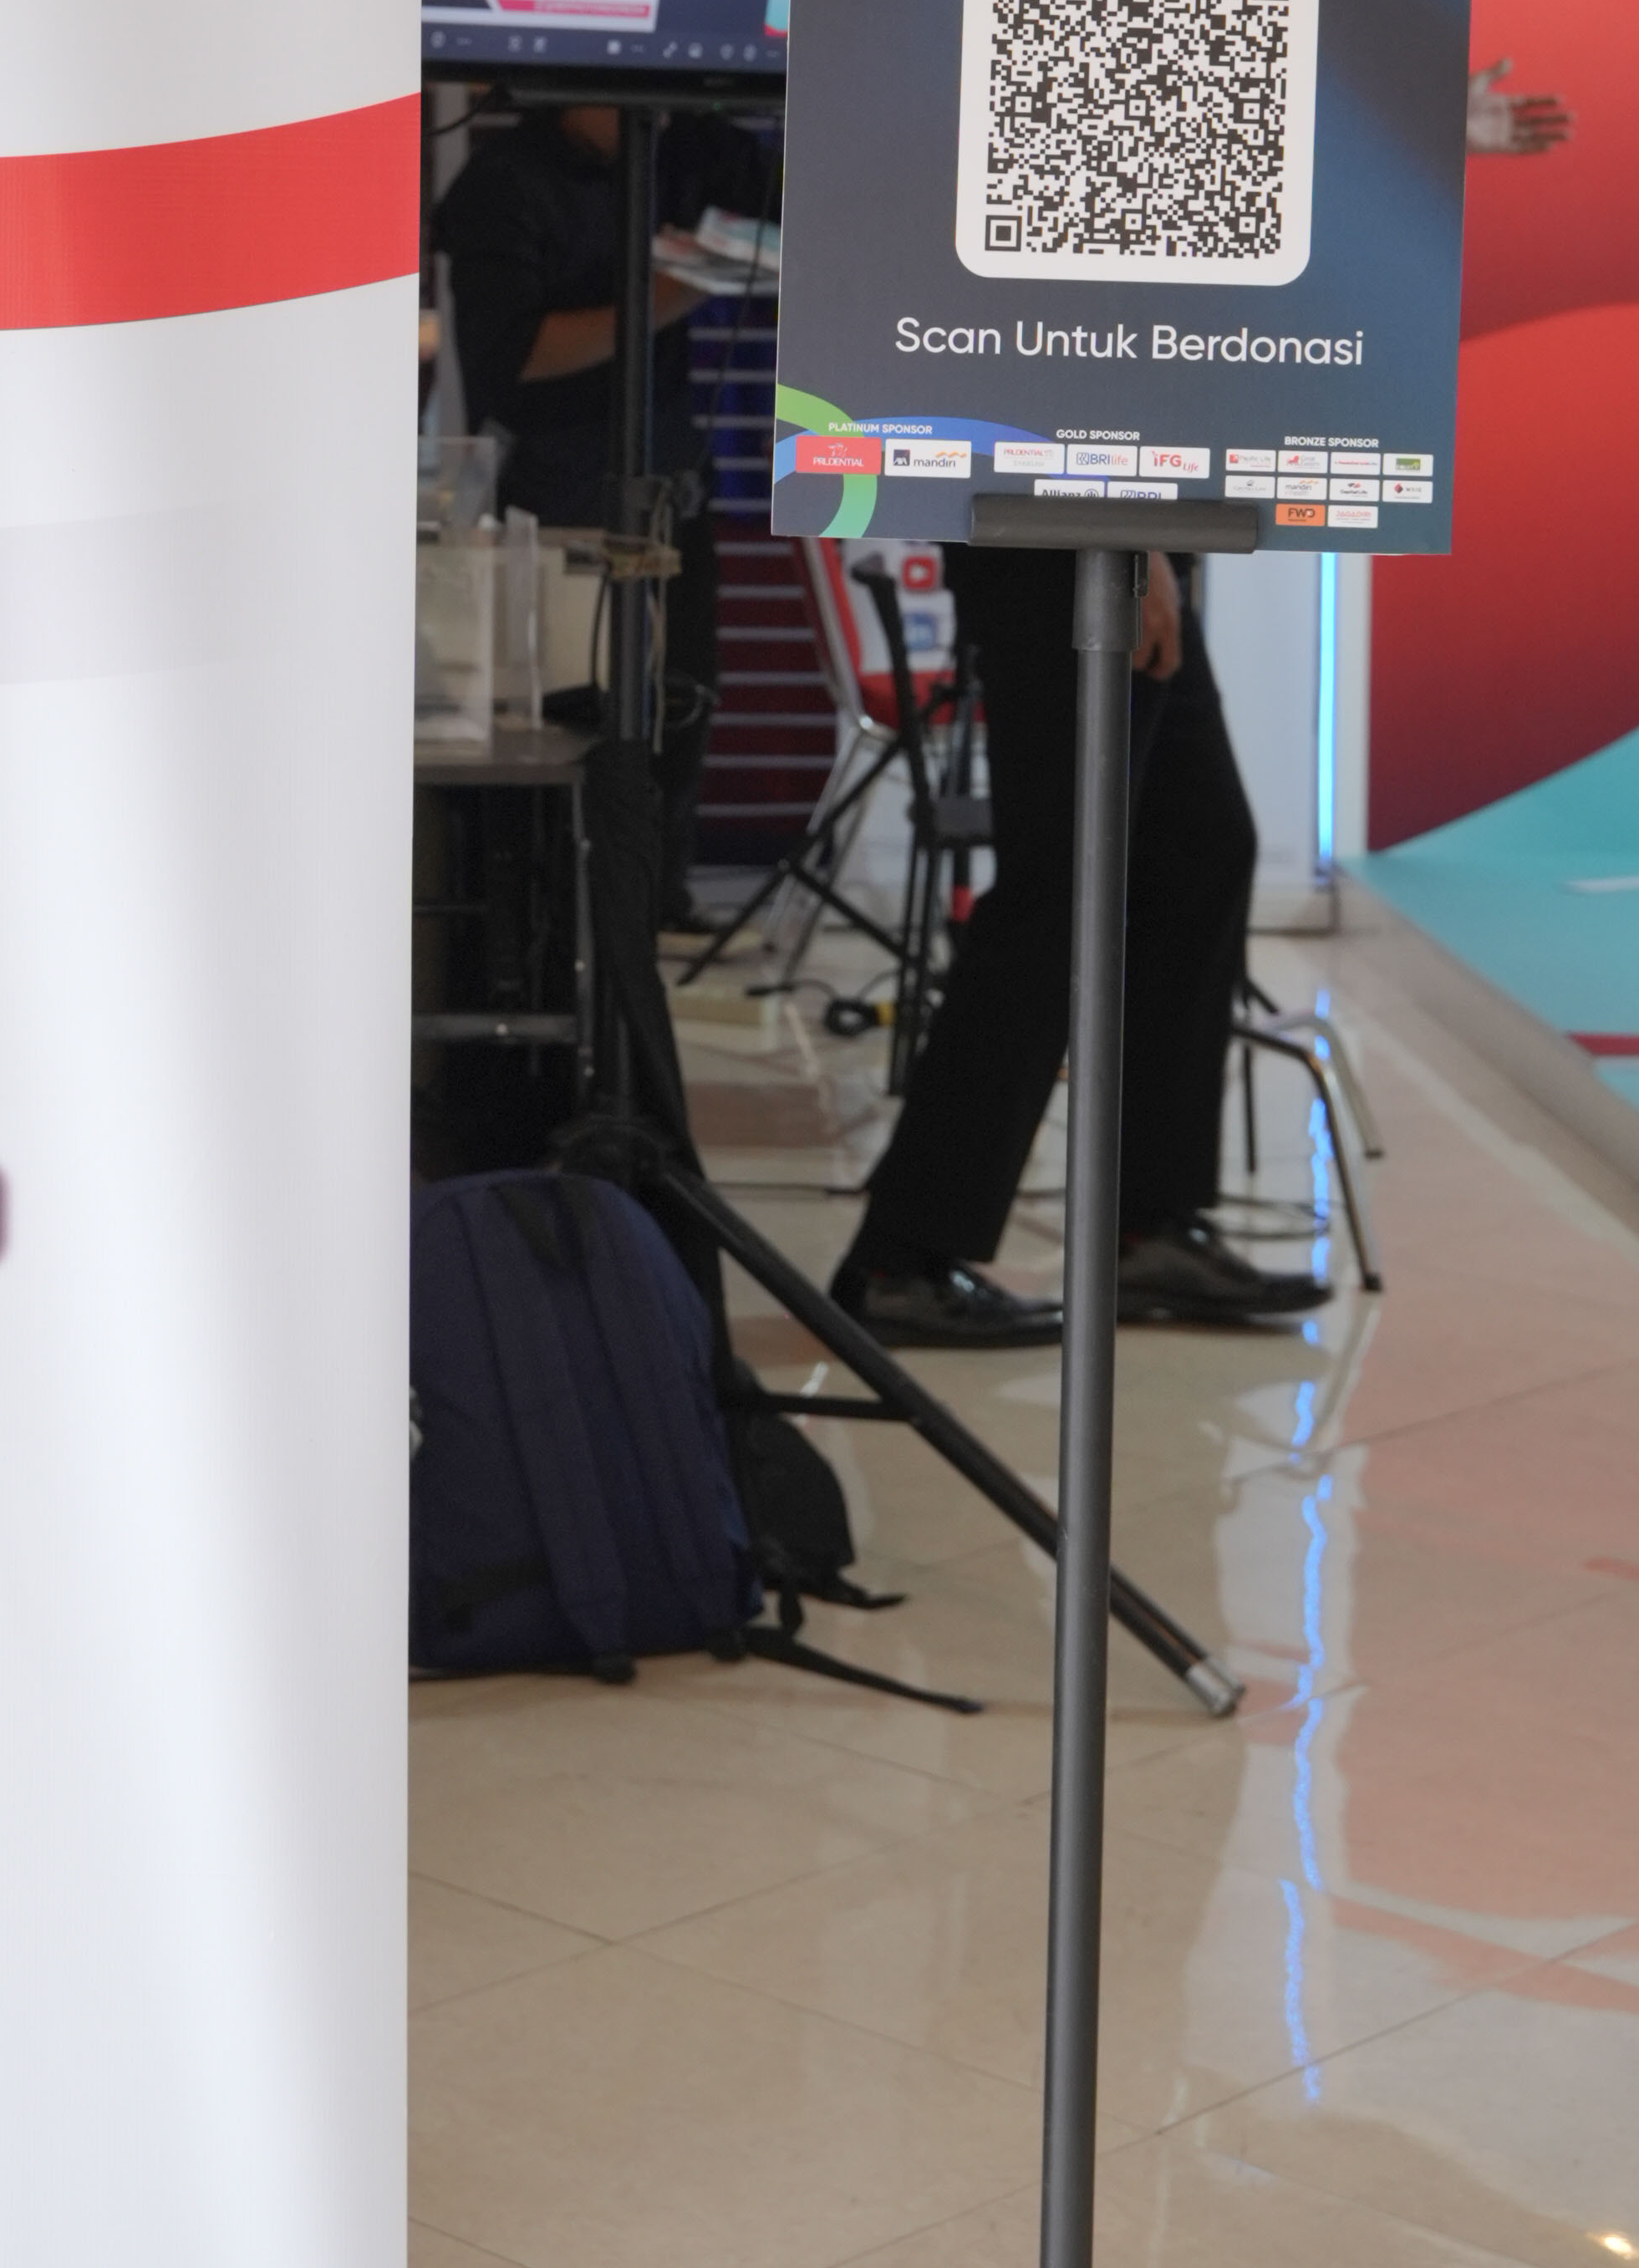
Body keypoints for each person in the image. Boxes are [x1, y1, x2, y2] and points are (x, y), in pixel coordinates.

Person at [837, 543, 1324, 1349]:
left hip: (1125, 544)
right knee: (1060, 896)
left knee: (1199, 850)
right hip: (1075, 549)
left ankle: (1146, 1226)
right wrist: (1132, 550)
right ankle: (900, 1260)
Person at [434, 94, 765, 875]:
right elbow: (513, 356)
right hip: (555, 503)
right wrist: (670, 295)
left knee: (679, 707)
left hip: (670, 486)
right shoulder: (506, 183)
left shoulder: (688, 149)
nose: (660, 117)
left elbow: (776, 185)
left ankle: (659, 900)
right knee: (562, 728)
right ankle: (557, 911)